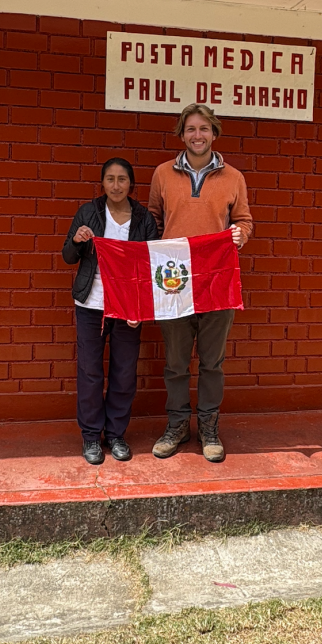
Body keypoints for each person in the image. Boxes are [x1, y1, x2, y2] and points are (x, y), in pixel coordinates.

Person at [148, 103, 253, 463]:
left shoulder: (234, 177)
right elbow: (152, 221)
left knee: (212, 362)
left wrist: (240, 234)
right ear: (182, 134)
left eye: (204, 129)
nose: (197, 135)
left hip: (217, 280)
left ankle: (209, 426)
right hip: (173, 282)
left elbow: (244, 221)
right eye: (191, 129)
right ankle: (177, 425)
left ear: (214, 133)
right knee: (176, 363)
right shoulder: (162, 174)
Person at [62, 158, 158, 465]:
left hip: (128, 306)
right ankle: (91, 436)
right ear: (102, 183)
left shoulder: (143, 218)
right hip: (91, 304)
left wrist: (141, 305)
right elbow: (67, 256)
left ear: (131, 184)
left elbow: (151, 265)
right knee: (90, 372)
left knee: (124, 373)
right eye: (110, 179)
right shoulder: (88, 212)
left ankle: (116, 434)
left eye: (122, 179)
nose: (116, 185)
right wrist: (77, 241)